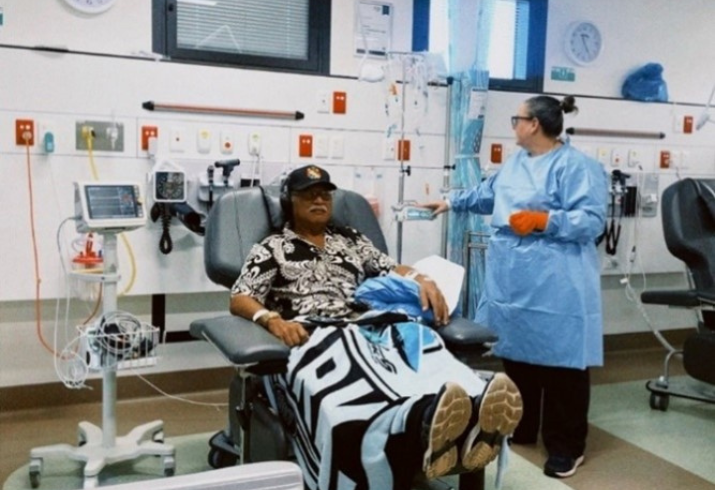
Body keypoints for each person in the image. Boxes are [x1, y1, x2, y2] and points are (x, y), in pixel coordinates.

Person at [229, 165, 523, 490]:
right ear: (289, 202)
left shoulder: (351, 239)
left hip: (370, 323)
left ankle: (468, 410)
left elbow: (389, 267)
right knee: (355, 385)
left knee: (420, 341)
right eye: (308, 194)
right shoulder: (270, 247)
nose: (319, 200)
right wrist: (270, 319)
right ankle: (421, 424)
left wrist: (419, 278)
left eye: (325, 194)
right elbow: (241, 296)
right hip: (314, 331)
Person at [422, 95, 608, 479]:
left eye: (516, 119)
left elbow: (591, 221)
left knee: (561, 365)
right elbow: (489, 194)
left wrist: (545, 220)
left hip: (557, 279)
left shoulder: (576, 166)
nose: (514, 126)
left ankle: (566, 446)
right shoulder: (516, 163)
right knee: (519, 357)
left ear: (534, 124)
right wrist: (450, 202)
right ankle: (522, 427)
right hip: (515, 276)